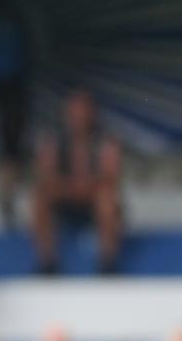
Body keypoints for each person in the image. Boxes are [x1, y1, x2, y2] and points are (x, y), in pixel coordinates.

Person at [32, 88, 121, 273]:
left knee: (107, 198)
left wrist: (87, 186)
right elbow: (46, 173)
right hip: (65, 195)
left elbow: (111, 175)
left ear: (92, 113)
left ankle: (107, 262)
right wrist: (70, 186)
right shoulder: (54, 139)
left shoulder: (106, 139)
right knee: (41, 196)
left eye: (83, 111)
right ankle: (48, 262)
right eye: (74, 111)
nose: (79, 117)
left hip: (94, 196)